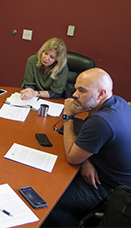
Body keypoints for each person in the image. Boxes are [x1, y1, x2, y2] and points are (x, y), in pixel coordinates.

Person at [42, 68, 131, 227]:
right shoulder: (119, 102)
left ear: (101, 94)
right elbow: (91, 146)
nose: (74, 94)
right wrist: (86, 160)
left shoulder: (101, 121)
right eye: (76, 88)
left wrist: (68, 116)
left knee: (46, 200)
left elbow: (72, 157)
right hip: (119, 178)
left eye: (82, 91)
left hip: (111, 190)